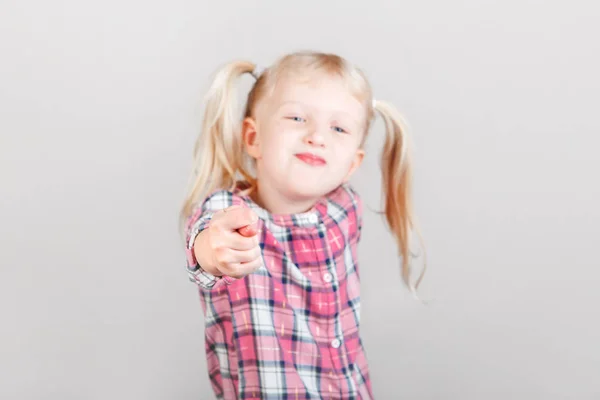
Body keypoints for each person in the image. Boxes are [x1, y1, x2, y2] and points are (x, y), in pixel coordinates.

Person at [179, 50, 425, 399]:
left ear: (352, 164)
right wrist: (211, 248)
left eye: (339, 128)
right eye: (296, 118)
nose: (317, 137)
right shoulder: (229, 213)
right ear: (253, 138)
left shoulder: (345, 208)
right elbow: (203, 245)